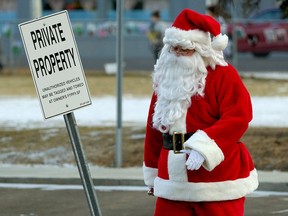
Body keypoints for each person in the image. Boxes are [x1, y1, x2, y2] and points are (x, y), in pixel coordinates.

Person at [143, 8, 258, 216]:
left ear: (201, 50)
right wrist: (152, 176)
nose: (177, 53)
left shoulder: (223, 74)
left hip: (217, 182)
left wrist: (204, 146)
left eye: (184, 49)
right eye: (173, 48)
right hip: (173, 182)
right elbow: (154, 128)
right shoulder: (165, 78)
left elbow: (239, 116)